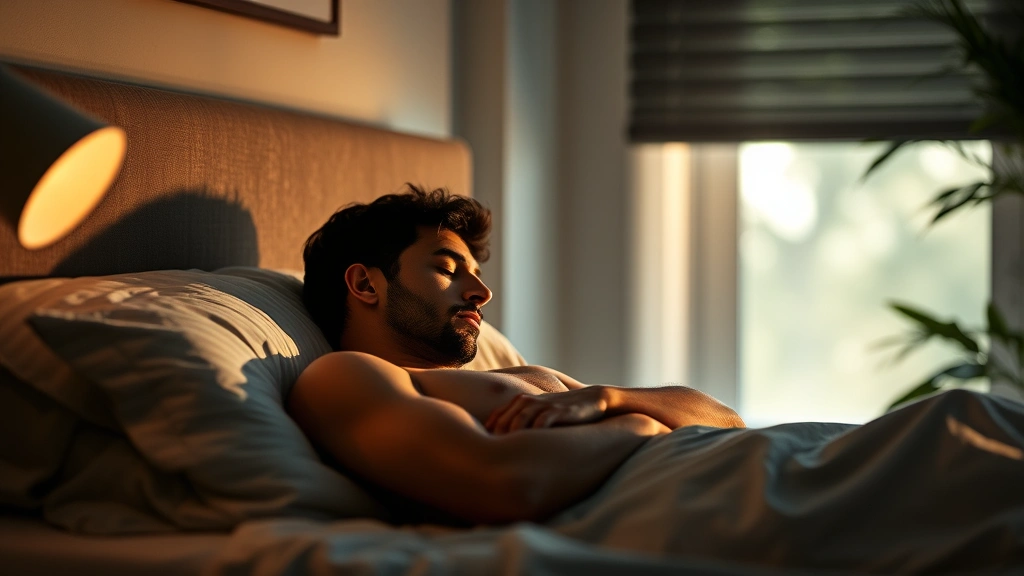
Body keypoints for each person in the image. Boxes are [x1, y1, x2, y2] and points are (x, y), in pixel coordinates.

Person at [289, 185, 745, 525]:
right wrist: (646, 423)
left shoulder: (524, 375)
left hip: (748, 469)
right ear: (366, 284)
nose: (482, 292)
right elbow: (505, 484)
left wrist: (608, 398)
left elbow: (727, 420)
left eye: (477, 274)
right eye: (447, 269)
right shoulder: (342, 376)